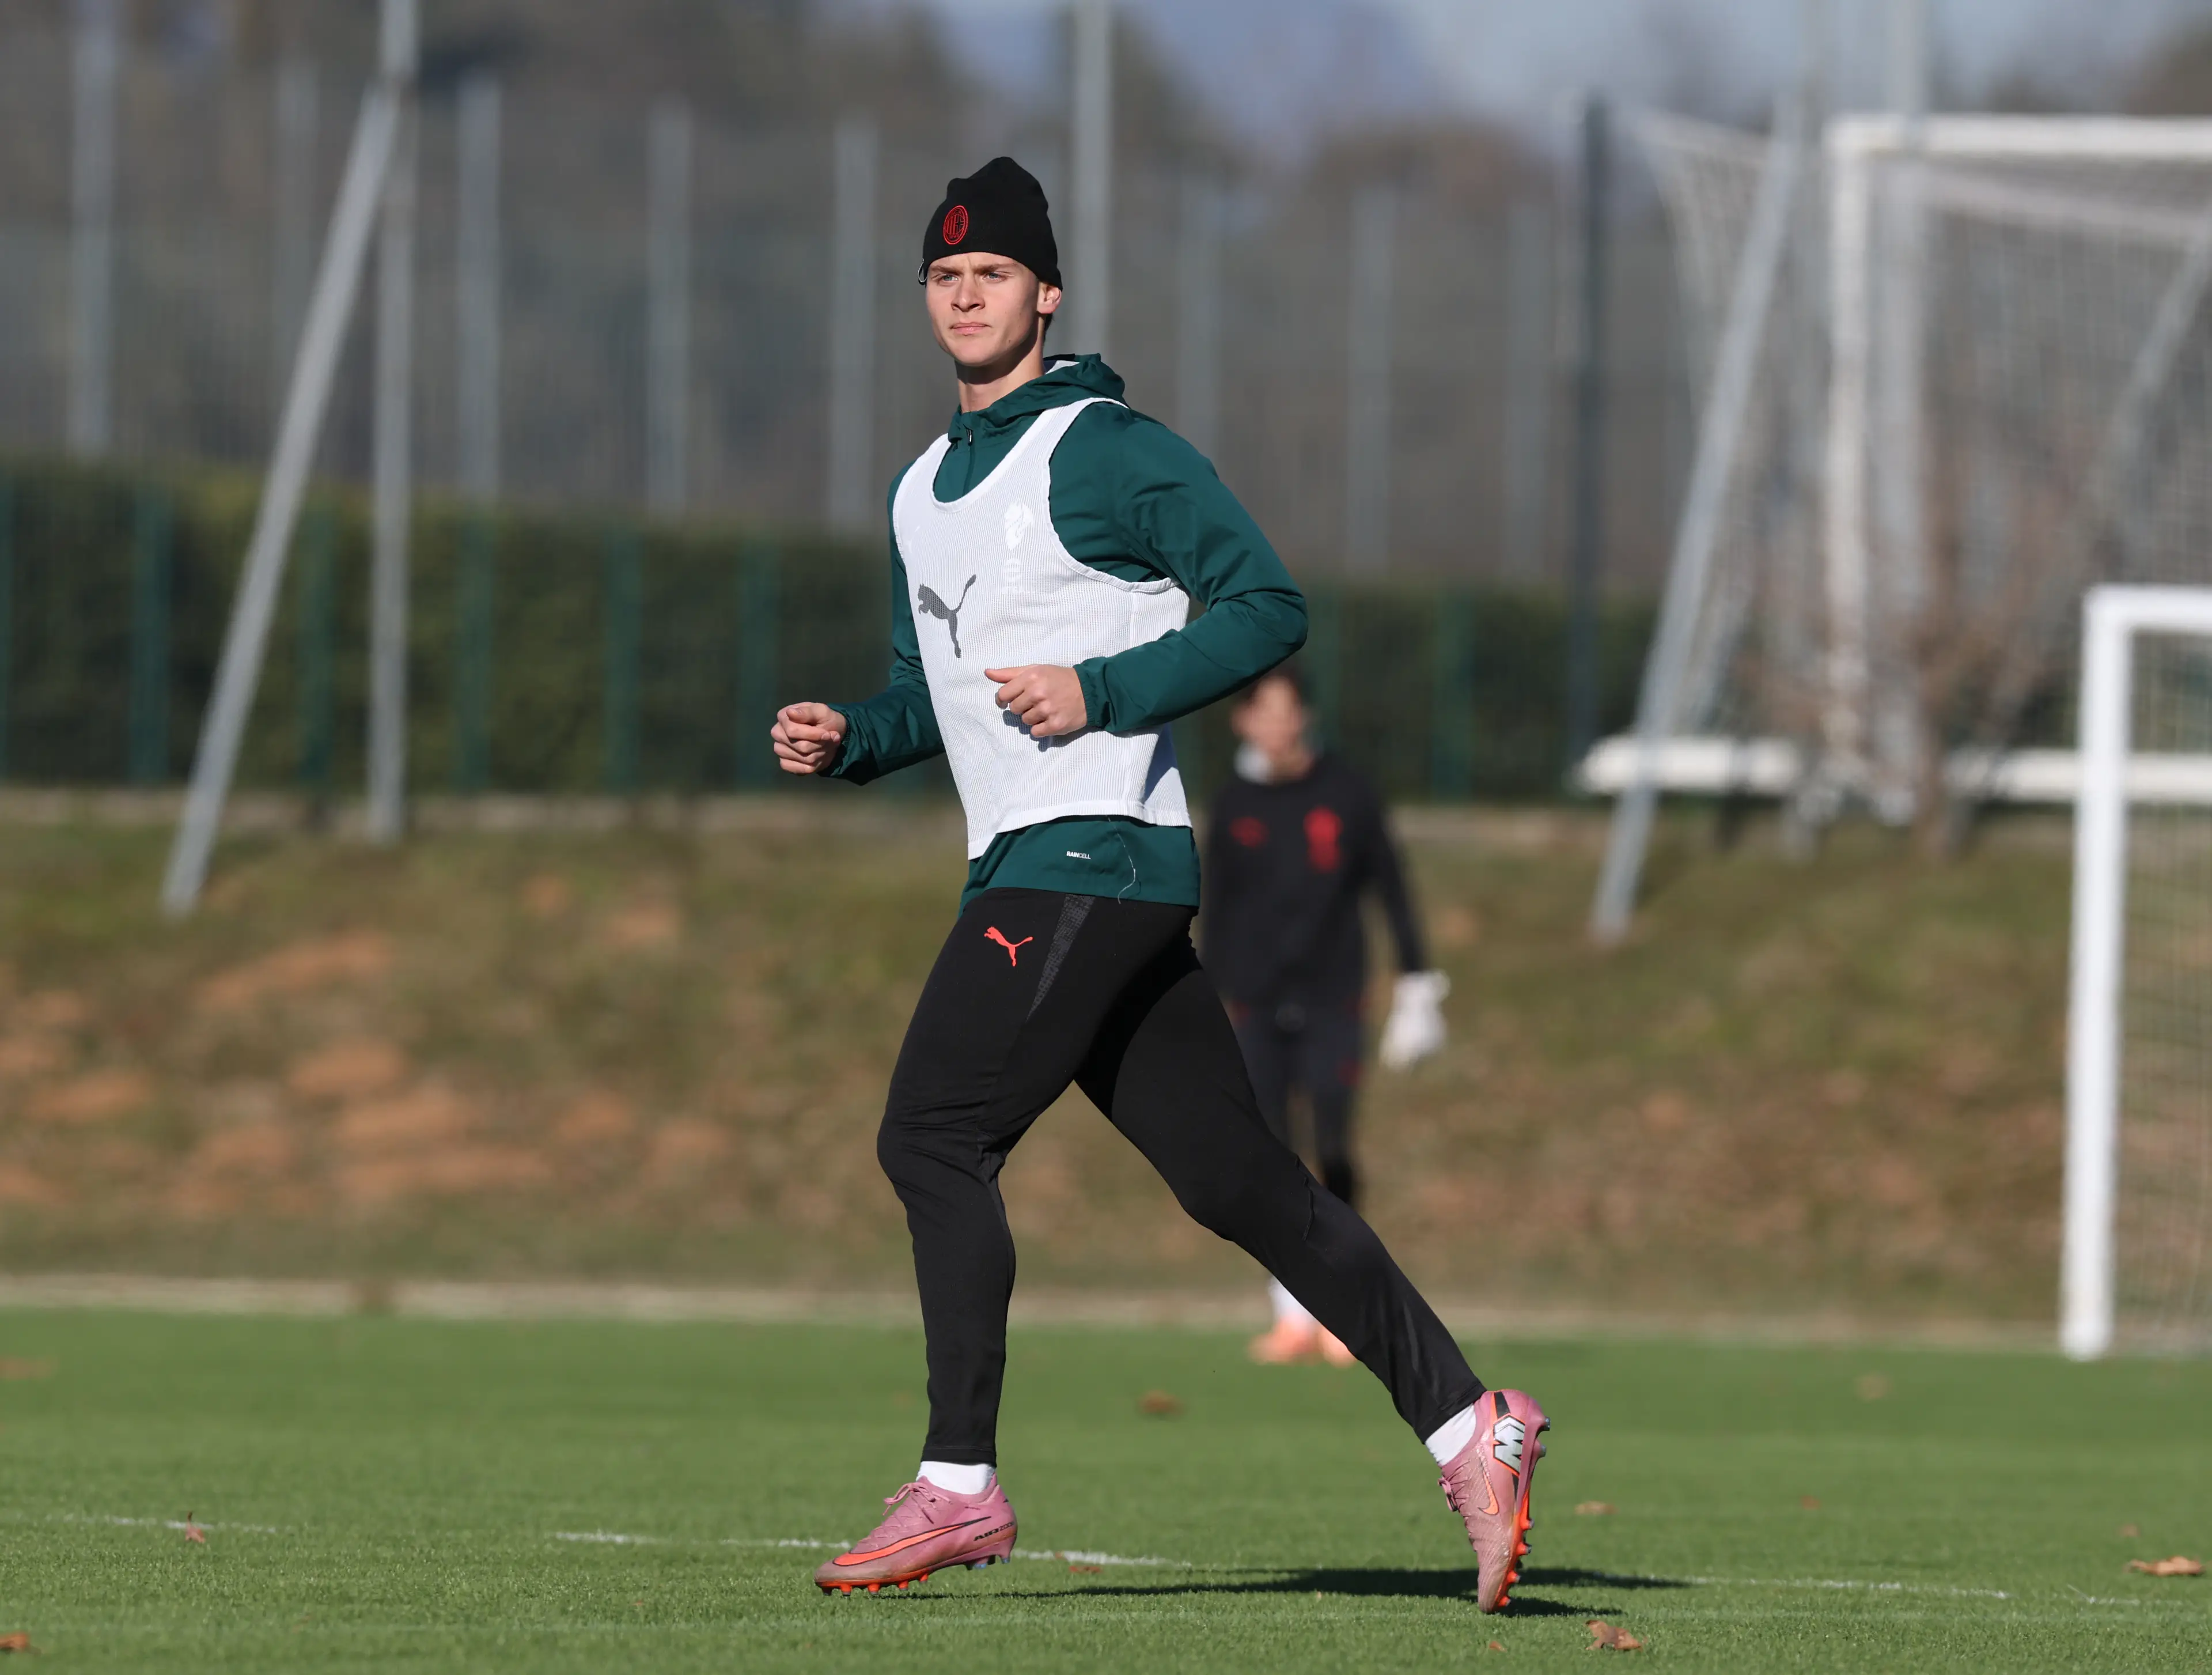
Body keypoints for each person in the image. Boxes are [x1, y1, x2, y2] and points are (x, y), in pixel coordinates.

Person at [770, 156, 1546, 1612]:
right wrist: (853, 736)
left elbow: (1268, 604)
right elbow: (930, 691)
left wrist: (1105, 689)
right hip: (1036, 868)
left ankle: (957, 1483)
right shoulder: (918, 493)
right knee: (1242, 1184)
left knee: (932, 1132)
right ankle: (1471, 1425)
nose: (966, 295)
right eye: (945, 276)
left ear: (1047, 295)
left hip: (1094, 856)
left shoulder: (1107, 449)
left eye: (994, 274)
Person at [1205, 667, 1451, 1367]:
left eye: (1289, 712)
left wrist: (1417, 982)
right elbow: (1217, 910)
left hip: (1332, 998)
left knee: (1334, 1146)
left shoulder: (1347, 792)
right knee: (1271, 1156)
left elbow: (1391, 886)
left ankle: (1346, 1307)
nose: (1278, 726)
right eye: (1264, 713)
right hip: (1255, 1001)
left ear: (1305, 717)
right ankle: (1291, 1311)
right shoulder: (1235, 803)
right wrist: (1204, 1001)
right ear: (1243, 722)